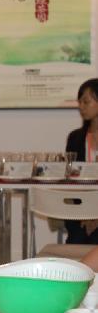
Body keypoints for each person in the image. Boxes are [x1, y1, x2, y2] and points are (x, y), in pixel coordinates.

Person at [66, 78, 98, 244]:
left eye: (86, 102)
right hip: (80, 211)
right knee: (77, 238)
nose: (81, 107)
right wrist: (85, 214)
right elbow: (70, 178)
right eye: (79, 102)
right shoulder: (75, 138)